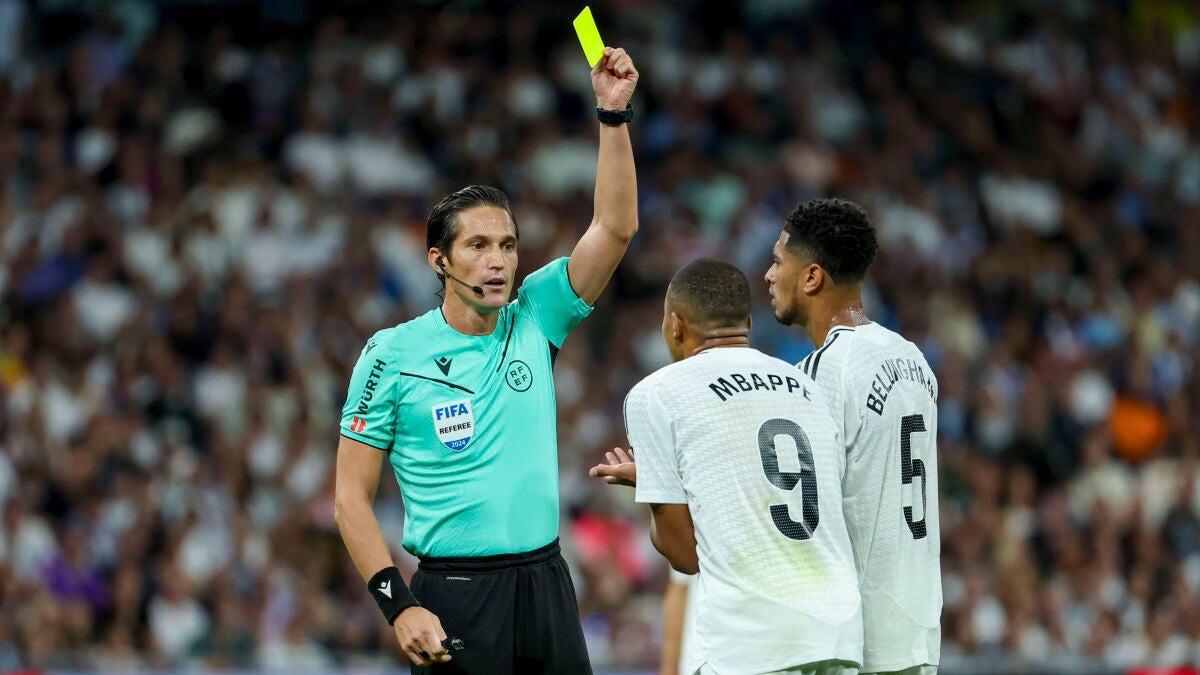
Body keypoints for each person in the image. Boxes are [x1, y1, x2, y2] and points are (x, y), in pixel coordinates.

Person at [333, 46, 640, 674]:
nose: (498, 260)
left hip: (547, 585)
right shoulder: (392, 353)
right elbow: (350, 498)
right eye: (477, 245)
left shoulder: (536, 317)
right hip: (456, 594)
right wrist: (398, 605)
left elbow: (614, 228)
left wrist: (613, 116)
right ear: (438, 260)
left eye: (507, 244)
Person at [591, 259, 863, 675]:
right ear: (748, 324)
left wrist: (657, 489)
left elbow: (686, 557)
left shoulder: (657, 393)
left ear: (676, 325)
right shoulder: (806, 384)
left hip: (753, 641)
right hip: (838, 631)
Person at [764, 199, 942, 675]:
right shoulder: (914, 359)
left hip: (857, 642)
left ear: (811, 277)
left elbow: (801, 516)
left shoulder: (821, 372)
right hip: (918, 630)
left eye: (778, 261)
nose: (768, 275)